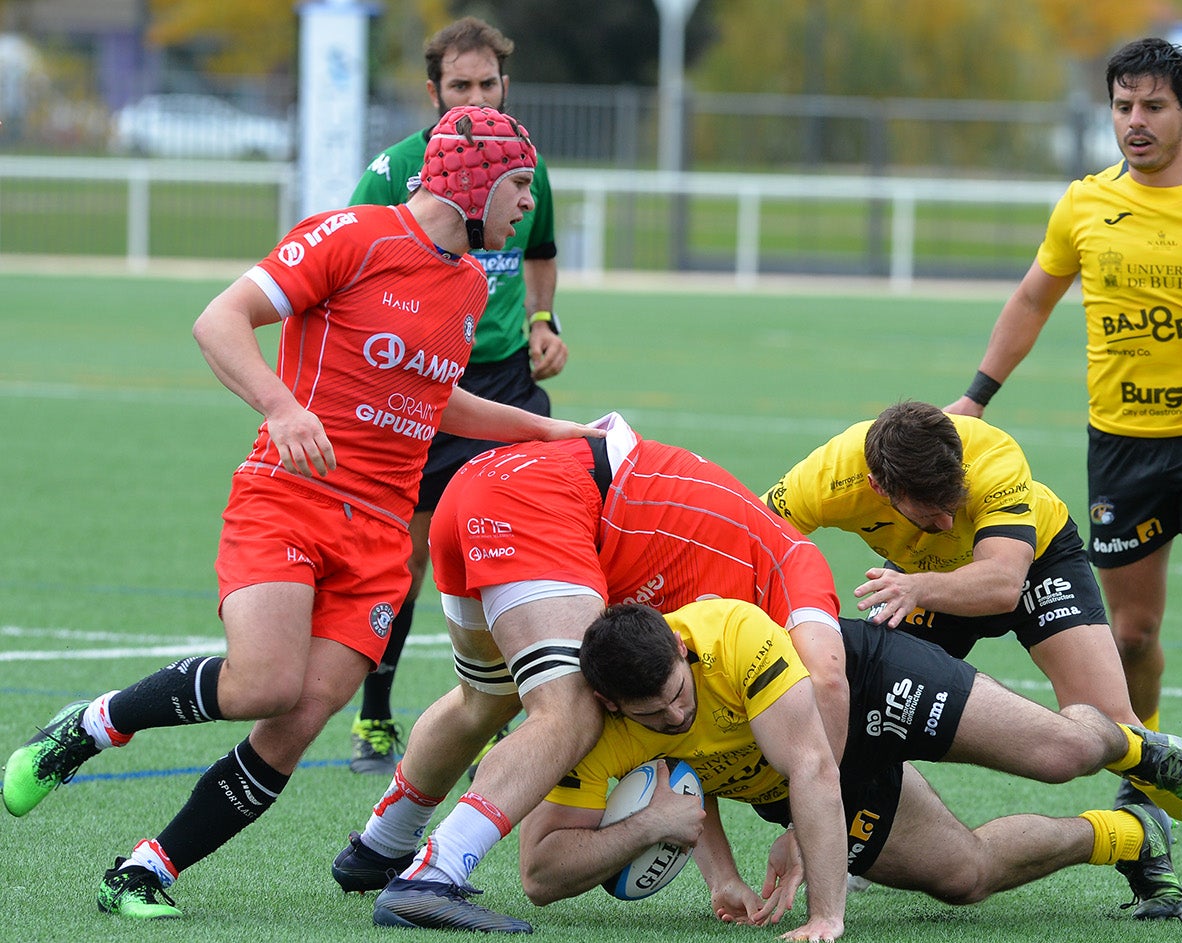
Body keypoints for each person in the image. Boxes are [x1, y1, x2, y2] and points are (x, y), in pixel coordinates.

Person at [0, 105, 602, 921]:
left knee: (298, 720)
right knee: (263, 683)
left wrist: (550, 428)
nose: (530, 203)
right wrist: (283, 408)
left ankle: (141, 871)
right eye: (521, 185)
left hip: (382, 537)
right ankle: (90, 727)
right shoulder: (350, 235)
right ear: (476, 181)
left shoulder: (466, 285)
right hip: (290, 496)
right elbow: (219, 320)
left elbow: (433, 400)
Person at [943, 37, 1182, 850]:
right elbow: (1030, 299)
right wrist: (975, 396)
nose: (1135, 122)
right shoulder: (1083, 204)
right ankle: (1146, 763)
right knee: (1131, 634)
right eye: (1122, 106)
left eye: (1153, 106)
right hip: (1120, 447)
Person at [764, 399, 1182, 920]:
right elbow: (753, 542)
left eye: (955, 506)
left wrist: (919, 586)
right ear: (880, 488)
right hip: (917, 582)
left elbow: (1002, 583)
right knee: (875, 707)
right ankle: (1133, 837)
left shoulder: (993, 456)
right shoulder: (829, 474)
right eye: (932, 515)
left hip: (1032, 566)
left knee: (1117, 729)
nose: (950, 524)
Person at [329, 413, 851, 932]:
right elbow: (827, 676)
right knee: (573, 707)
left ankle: (383, 846)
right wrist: (806, 827)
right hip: (541, 499)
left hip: (483, 486)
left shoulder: (729, 558)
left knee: (484, 698)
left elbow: (681, 735)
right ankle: (434, 874)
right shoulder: (787, 572)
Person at [518, 600, 1182, 939]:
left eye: (677, 696)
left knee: (1058, 752)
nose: (673, 717)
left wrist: (827, 913)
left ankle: (1133, 746)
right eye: (651, 716)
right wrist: (693, 850)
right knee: (964, 876)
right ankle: (1129, 833)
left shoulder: (728, 635)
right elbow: (541, 874)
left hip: (863, 683)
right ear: (608, 702)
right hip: (802, 775)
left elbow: (812, 773)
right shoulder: (606, 729)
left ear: (683, 652)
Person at [345, 15, 564, 776]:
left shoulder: (521, 162)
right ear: (432, 90)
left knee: (521, 540)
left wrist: (543, 321)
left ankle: (529, 712)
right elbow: (357, 262)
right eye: (460, 85)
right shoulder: (393, 170)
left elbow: (539, 252)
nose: (476, 95)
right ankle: (375, 715)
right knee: (405, 555)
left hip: (506, 380)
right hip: (421, 387)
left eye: (488, 83)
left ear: (506, 85)